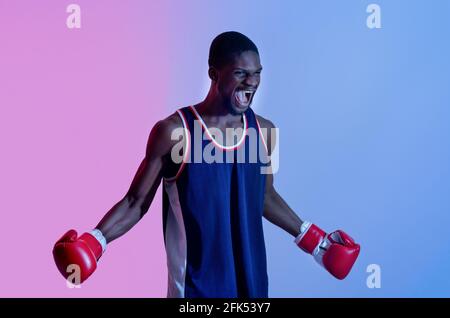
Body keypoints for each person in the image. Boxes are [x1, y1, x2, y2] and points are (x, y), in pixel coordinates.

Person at [53, 31, 360, 298]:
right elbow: (135, 203)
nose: (252, 82)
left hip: (252, 288)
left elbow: (264, 196)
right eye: (241, 73)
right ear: (214, 74)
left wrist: (315, 241)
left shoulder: (264, 132)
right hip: (195, 292)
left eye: (257, 73)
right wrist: (95, 241)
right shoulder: (175, 133)